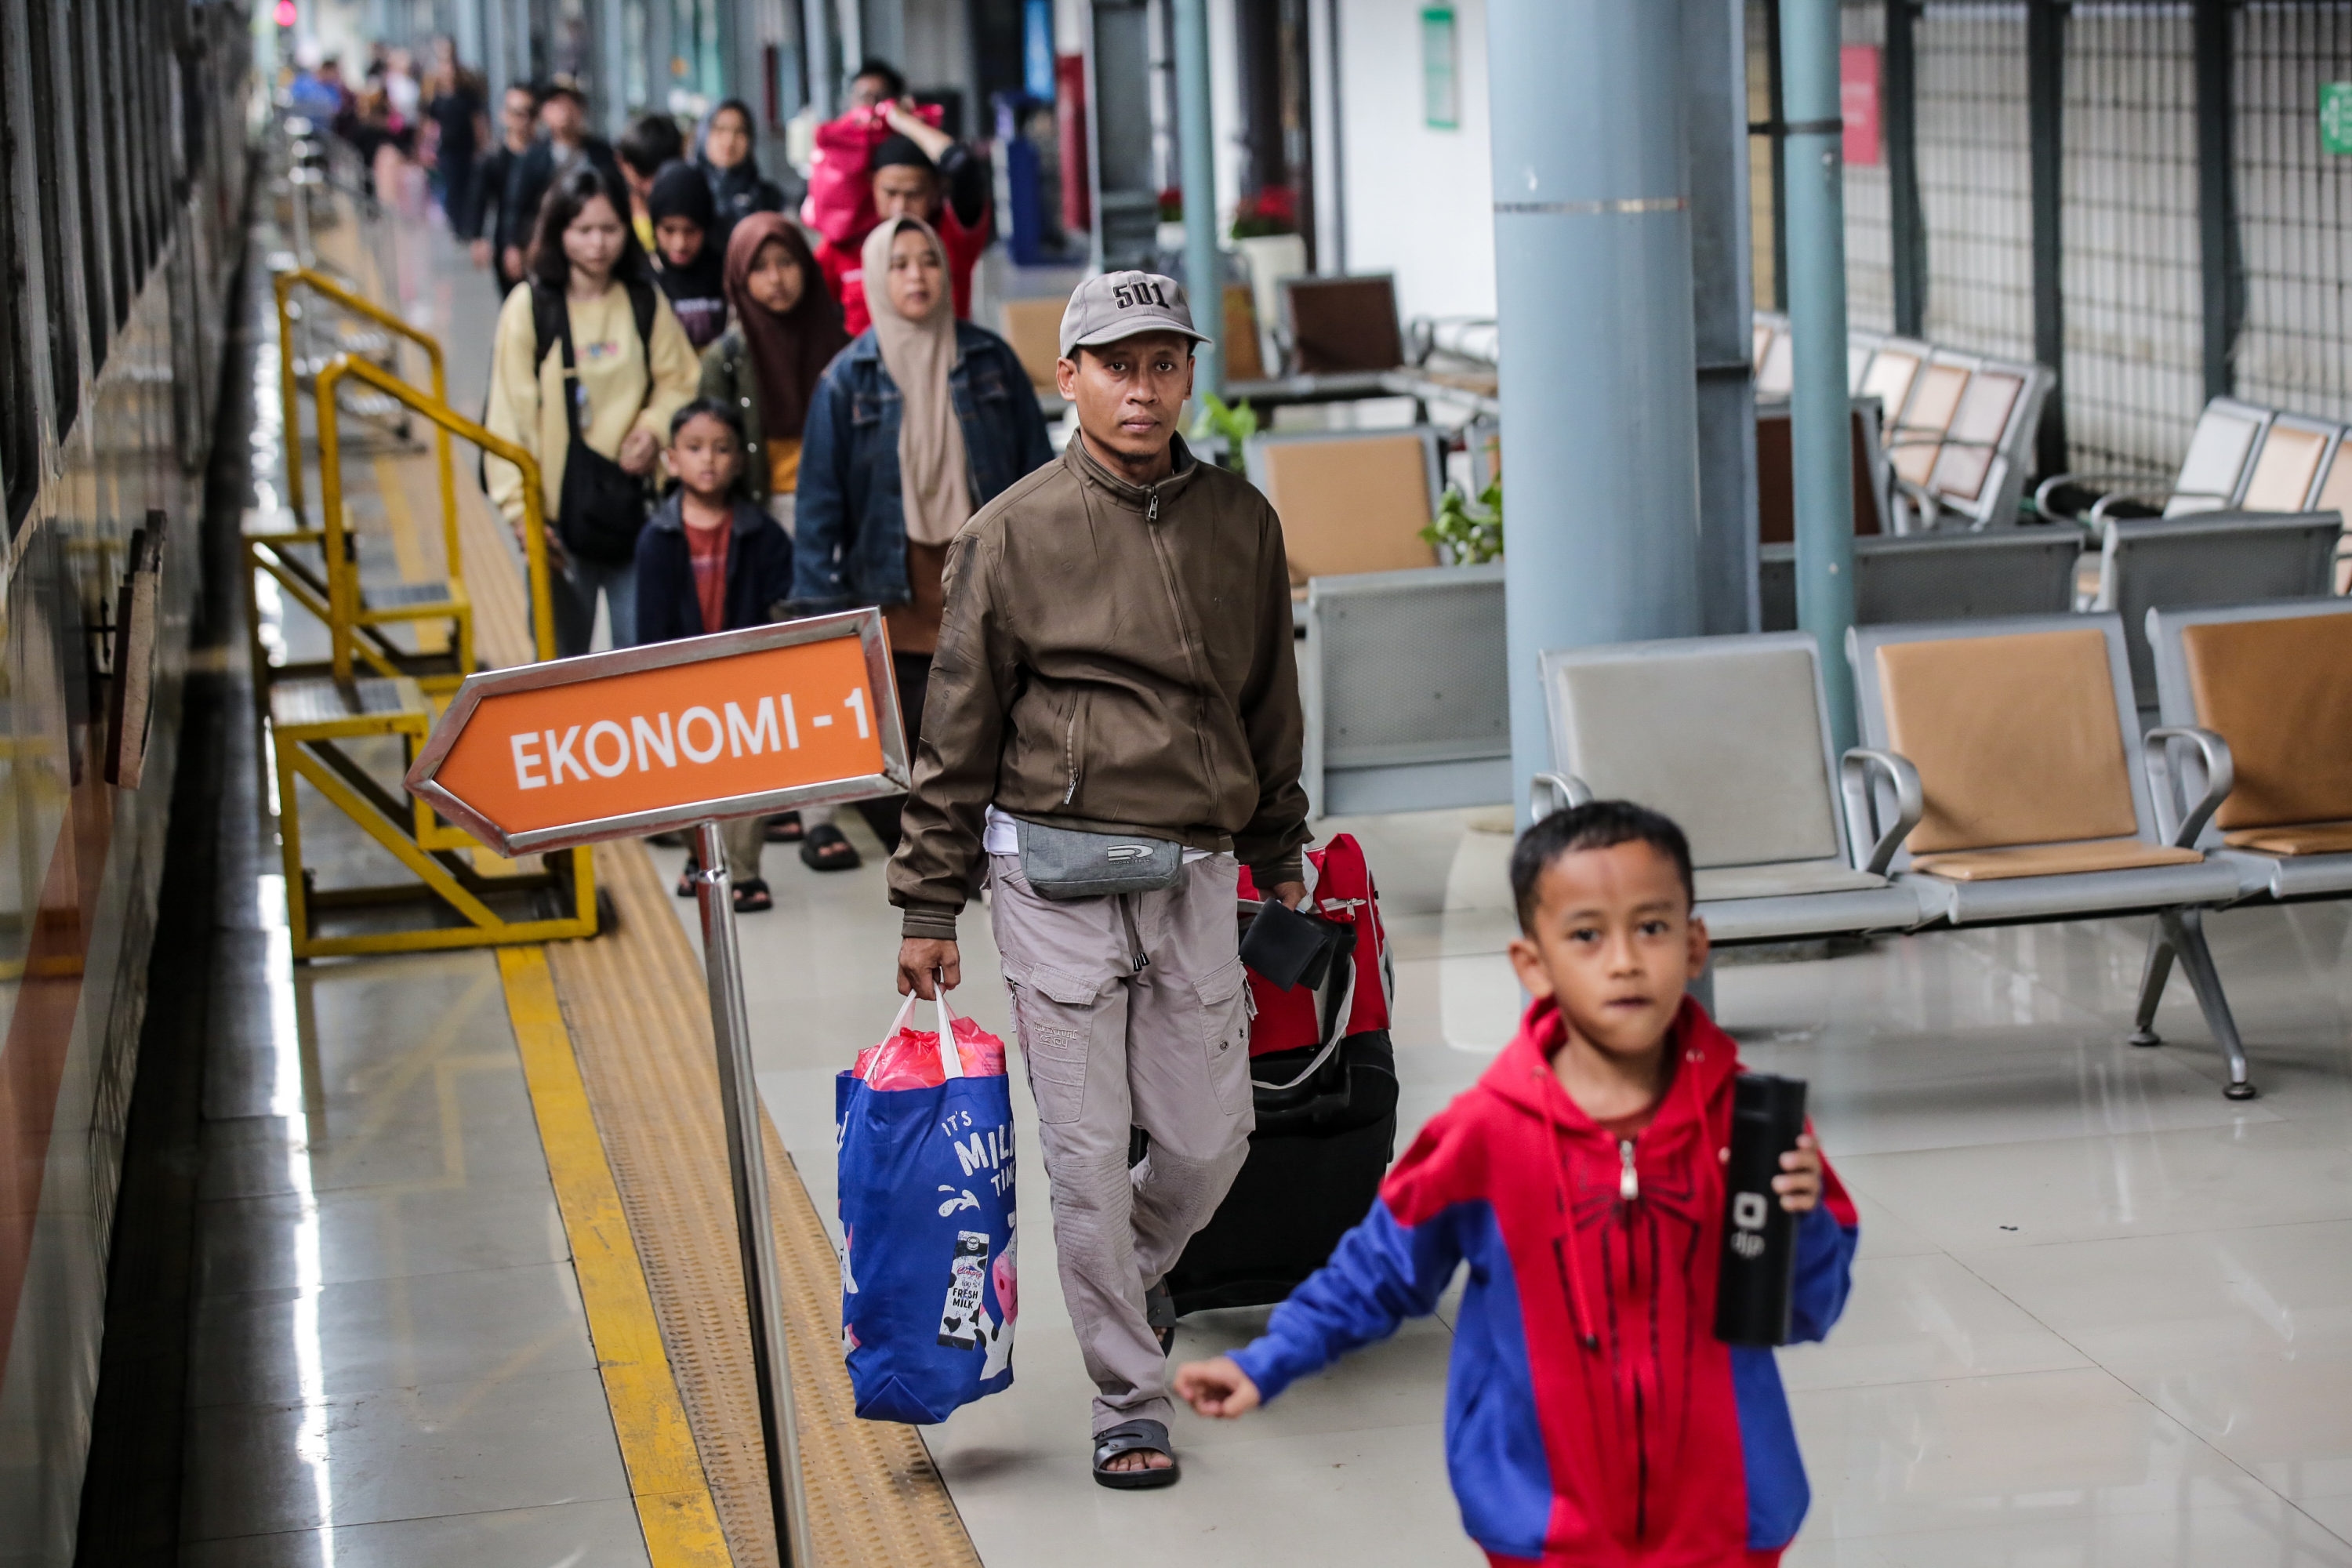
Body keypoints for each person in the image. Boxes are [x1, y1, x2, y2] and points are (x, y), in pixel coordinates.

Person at [1174, 802, 1862, 1558]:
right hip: (1545, 1520)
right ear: (1532, 964)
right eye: (1587, 934)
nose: (1625, 959)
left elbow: (1806, 1312)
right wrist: (1267, 1362)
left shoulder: (1751, 1124)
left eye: (1653, 927)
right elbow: (1379, 1273)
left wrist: (1805, 1225)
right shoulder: (1487, 1135)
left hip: (1725, 1516)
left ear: (1695, 945)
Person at [882, 271, 1307, 1487]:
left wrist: (1282, 850)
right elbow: (954, 730)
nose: (1143, 387)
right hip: (1050, 877)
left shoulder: (1243, 523)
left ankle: (1130, 1269)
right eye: (1116, 364)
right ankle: (1128, 1397)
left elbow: (1273, 701)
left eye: (1164, 362)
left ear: (1187, 376)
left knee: (1210, 1141)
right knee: (1080, 1158)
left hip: (1199, 871)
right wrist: (928, 898)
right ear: (1068, 378)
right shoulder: (1010, 533)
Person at [790, 217, 1051, 872]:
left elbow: (1040, 480)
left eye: (928, 261)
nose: (916, 276)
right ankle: (931, 867)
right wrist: (819, 619)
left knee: (991, 733)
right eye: (899, 264)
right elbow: (819, 507)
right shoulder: (845, 381)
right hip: (893, 592)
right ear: (877, 277)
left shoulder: (990, 362)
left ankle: (989, 860)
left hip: (983, 587)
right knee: (908, 748)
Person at [485, 166, 699, 656]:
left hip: (634, 515)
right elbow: (507, 417)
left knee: (643, 658)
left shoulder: (643, 302)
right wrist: (522, 516)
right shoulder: (532, 308)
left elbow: (681, 382)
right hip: (558, 527)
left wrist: (653, 428)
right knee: (558, 666)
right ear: (559, 233)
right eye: (583, 230)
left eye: (609, 229)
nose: (598, 245)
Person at [634, 399, 795, 912]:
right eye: (695, 448)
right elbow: (649, 626)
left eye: (723, 449)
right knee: (684, 774)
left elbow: (780, 607)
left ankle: (744, 870)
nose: (709, 460)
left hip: (745, 675)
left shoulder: (764, 534)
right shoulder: (656, 539)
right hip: (680, 678)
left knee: (751, 773)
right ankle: (697, 856)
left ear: (740, 461)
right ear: (671, 460)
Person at [812, 96, 992, 336]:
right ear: (871, 185)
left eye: (914, 194)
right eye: (890, 193)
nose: (900, 206)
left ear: (936, 190)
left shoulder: (953, 237)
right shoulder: (842, 246)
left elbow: (961, 165)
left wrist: (900, 120)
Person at [499, 81, 628, 289]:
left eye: (571, 104)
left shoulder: (601, 153)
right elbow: (516, 203)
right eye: (556, 105)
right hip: (546, 242)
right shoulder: (534, 157)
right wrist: (513, 244)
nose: (564, 112)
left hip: (593, 241)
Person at [646, 161, 729, 350]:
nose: (680, 243)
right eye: (669, 230)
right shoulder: (642, 279)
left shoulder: (725, 272)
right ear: (655, 226)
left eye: (691, 230)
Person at [467, 82, 539, 293]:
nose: (523, 120)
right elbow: (479, 198)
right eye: (517, 113)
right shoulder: (493, 158)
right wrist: (478, 238)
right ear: (504, 115)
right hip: (506, 241)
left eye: (529, 113)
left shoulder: (545, 156)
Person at [695, 98, 787, 244]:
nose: (729, 140)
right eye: (720, 129)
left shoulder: (768, 198)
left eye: (739, 131)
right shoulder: (689, 192)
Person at [420, 39, 485, 234]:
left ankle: (467, 224)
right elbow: (430, 125)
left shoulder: (467, 95)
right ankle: (457, 225)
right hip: (447, 148)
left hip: (466, 146)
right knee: (451, 187)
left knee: (468, 187)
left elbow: (478, 122)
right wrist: (427, 148)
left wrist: (481, 146)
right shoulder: (436, 97)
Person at [617, 112, 687, 254]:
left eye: (661, 175)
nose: (652, 186)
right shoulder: (613, 211)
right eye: (643, 174)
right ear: (622, 163)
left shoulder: (694, 209)